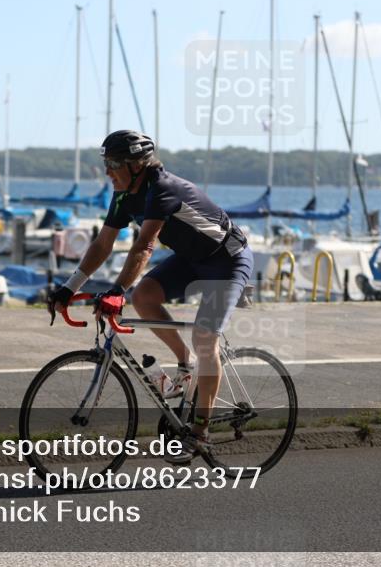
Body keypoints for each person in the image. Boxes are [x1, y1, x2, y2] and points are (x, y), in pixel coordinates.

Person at [47, 130, 252, 463]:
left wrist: (116, 291)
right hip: (191, 259)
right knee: (143, 298)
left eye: (113, 163)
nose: (107, 171)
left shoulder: (163, 189)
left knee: (205, 337)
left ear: (137, 165)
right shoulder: (124, 193)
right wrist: (69, 287)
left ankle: (201, 432)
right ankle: (186, 367)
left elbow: (144, 246)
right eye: (105, 163)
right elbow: (102, 244)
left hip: (226, 261)